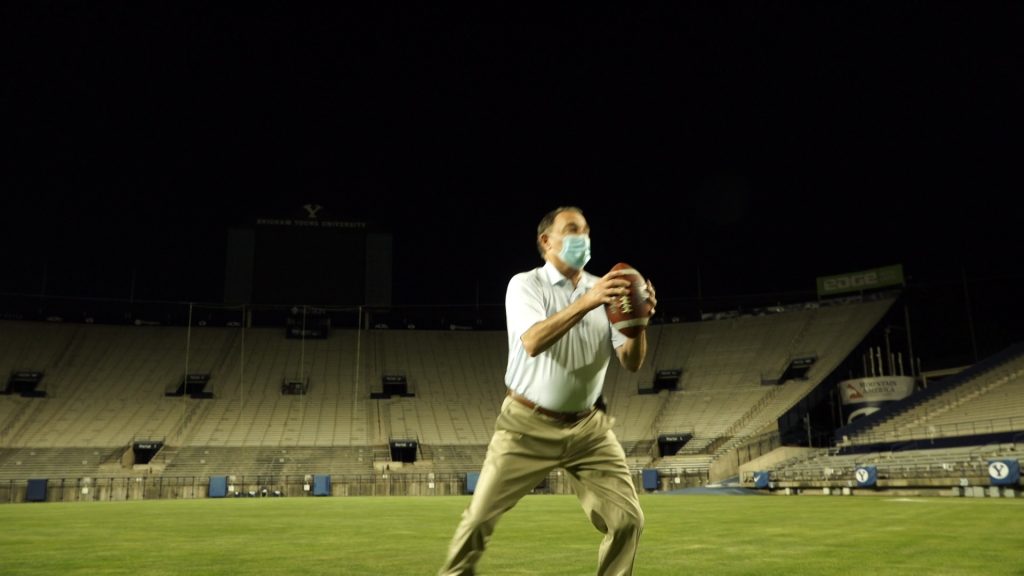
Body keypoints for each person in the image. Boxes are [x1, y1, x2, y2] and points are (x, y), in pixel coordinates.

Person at [438, 206, 656, 576]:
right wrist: (588, 301)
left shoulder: (605, 289)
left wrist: (638, 322)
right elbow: (533, 341)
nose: (583, 238)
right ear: (546, 241)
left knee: (628, 521)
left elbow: (631, 362)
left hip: (588, 428)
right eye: (572, 229)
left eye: (586, 230)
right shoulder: (526, 285)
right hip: (526, 424)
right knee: (478, 520)